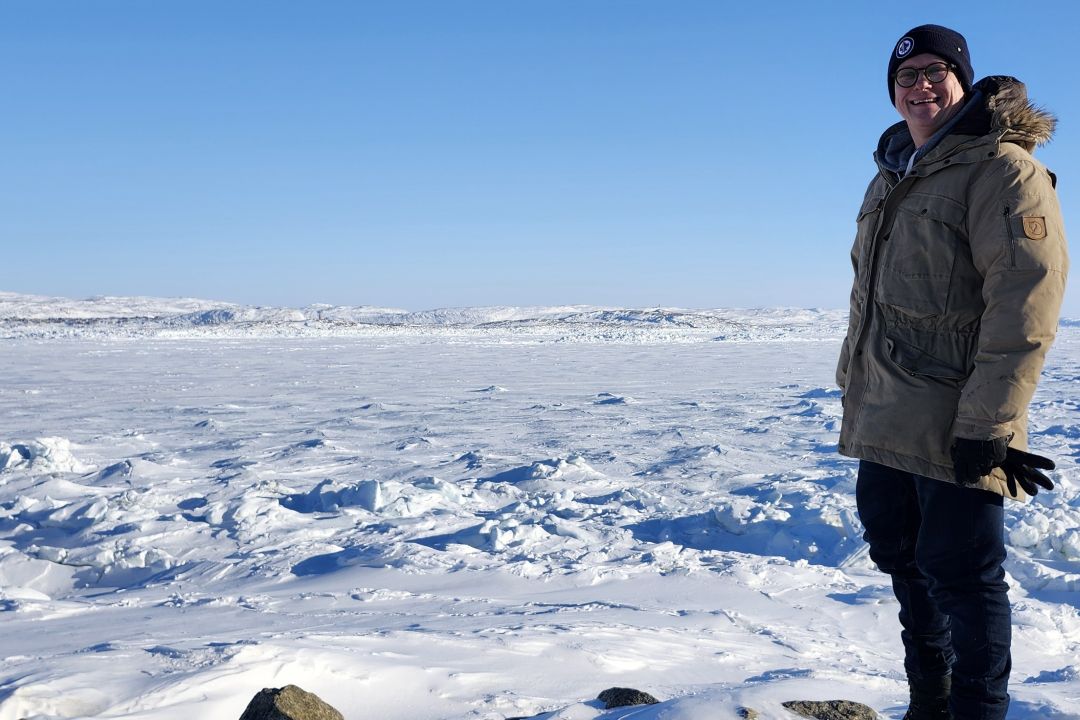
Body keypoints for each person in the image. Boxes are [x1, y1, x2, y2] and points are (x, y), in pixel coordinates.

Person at [835, 24, 1068, 720]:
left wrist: (990, 424)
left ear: (964, 82)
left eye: (937, 71)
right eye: (906, 77)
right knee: (901, 559)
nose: (920, 85)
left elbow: (1025, 298)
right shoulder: (893, 173)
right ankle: (928, 704)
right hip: (885, 409)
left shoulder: (1001, 168)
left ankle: (976, 711)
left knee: (964, 579)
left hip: (958, 417)